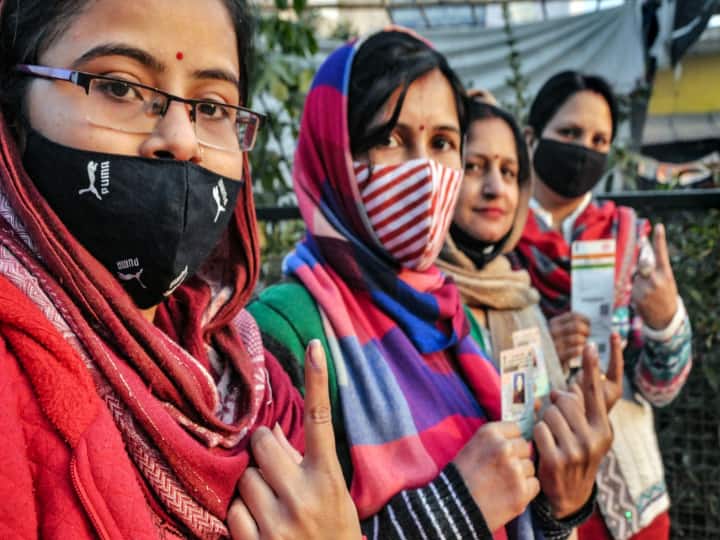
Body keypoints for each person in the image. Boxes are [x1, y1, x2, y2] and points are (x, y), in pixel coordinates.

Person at [0, 1, 362, 539]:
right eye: (120, 87)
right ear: (13, 112)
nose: (182, 139)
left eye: (212, 107)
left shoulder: (253, 382)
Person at [250, 29, 616, 540]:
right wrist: (452, 511)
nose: (424, 171)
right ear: (333, 150)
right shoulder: (284, 332)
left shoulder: (449, 315)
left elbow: (511, 505)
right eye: (389, 139)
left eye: (442, 143)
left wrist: (562, 502)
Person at [514, 70, 693, 540]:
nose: (583, 150)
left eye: (598, 140)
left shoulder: (630, 240)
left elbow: (661, 389)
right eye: (569, 133)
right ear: (531, 138)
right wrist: (540, 355)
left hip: (631, 501)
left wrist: (664, 320)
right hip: (531, 496)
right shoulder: (496, 240)